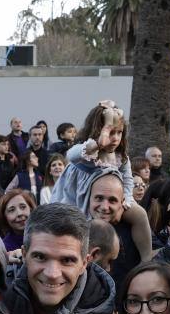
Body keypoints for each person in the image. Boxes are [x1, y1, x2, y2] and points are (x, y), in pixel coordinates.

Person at [51, 101, 152, 265]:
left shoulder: (120, 156)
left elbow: (127, 180)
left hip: (110, 200)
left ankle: (147, 258)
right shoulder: (87, 151)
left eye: (119, 133)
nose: (115, 138)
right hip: (78, 199)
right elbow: (71, 155)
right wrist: (98, 142)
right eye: (111, 132)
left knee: (140, 214)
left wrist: (124, 202)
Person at [0, 188, 36, 254]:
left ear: (31, 209)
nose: (19, 213)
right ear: (4, 217)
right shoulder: (4, 248)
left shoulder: (46, 235)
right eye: (12, 210)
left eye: (23, 207)